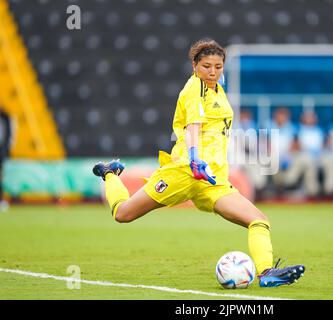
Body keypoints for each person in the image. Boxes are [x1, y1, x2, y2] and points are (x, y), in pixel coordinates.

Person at [92, 39, 305, 287]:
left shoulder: (218, 89)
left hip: (212, 180)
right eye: (206, 66)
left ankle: (267, 273)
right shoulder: (194, 90)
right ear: (194, 65)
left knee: (259, 220)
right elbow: (193, 126)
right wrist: (194, 158)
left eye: (217, 66)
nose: (212, 72)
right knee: (123, 214)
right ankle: (110, 173)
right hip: (184, 171)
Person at [282, 110, 324, 197]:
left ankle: (312, 191)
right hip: (300, 156)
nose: (309, 120)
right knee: (305, 161)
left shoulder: (319, 131)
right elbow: (294, 147)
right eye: (307, 118)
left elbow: (321, 148)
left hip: (317, 158)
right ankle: (294, 185)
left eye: (311, 117)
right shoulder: (297, 130)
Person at [0, 109, 12, 212]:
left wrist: (6, 149)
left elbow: (10, 134)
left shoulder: (5, 117)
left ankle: (1, 200)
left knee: (1, 176)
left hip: (1, 150)